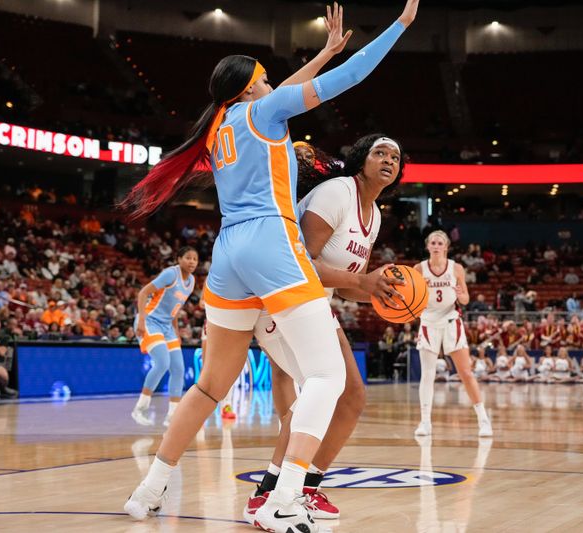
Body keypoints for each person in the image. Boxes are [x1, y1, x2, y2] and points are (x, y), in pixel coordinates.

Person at [122, 2, 420, 529]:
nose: (270, 83)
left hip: (228, 251)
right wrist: (397, 27)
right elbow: (350, 77)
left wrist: (325, 50)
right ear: (248, 90)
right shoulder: (263, 113)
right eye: (264, 79)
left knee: (211, 385)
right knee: (327, 377)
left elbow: (282, 94)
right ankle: (283, 499)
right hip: (271, 241)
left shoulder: (219, 127)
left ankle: (150, 487)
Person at [245, 134, 406, 524]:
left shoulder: (375, 215)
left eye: (395, 157)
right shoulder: (336, 193)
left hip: (313, 302)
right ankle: (268, 493)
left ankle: (306, 487)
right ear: (359, 159)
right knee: (321, 391)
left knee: (350, 396)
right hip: (278, 298)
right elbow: (300, 261)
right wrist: (366, 283)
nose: (388, 160)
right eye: (379, 152)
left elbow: (349, 285)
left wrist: (389, 297)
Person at [413, 230, 492, 437]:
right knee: (427, 375)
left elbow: (465, 299)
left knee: (465, 373)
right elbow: (411, 299)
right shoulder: (419, 269)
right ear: (428, 246)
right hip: (428, 321)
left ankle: (483, 420)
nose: (436, 246)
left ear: (446, 246)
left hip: (450, 321)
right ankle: (425, 422)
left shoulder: (456, 268)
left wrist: (460, 294)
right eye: (433, 243)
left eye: (440, 243)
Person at [130, 246, 198, 427]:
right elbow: (143, 292)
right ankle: (140, 409)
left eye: (195, 259)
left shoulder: (191, 281)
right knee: (162, 363)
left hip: (167, 327)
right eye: (188, 258)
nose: (191, 261)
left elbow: (175, 308)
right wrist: (142, 320)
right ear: (179, 259)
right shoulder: (170, 274)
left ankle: (172, 416)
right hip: (150, 321)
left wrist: (176, 330)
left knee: (178, 368)